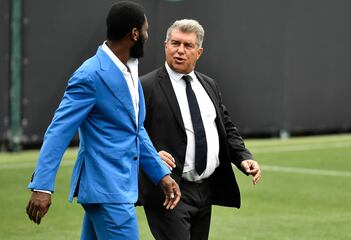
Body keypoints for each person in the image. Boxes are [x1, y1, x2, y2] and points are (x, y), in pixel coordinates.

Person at [25, 2, 181, 239]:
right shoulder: (89, 75)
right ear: (134, 33)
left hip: (114, 190)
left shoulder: (130, 70)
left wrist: (161, 174)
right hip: (109, 191)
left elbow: (136, 130)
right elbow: (58, 131)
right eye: (146, 31)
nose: (148, 36)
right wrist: (42, 186)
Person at [138, 19, 261, 240]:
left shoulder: (209, 85)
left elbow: (225, 127)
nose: (180, 51)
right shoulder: (145, 86)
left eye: (188, 46)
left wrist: (243, 157)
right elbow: (131, 133)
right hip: (169, 189)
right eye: (175, 43)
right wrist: (151, 156)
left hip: (205, 190)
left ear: (199, 52)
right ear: (165, 45)